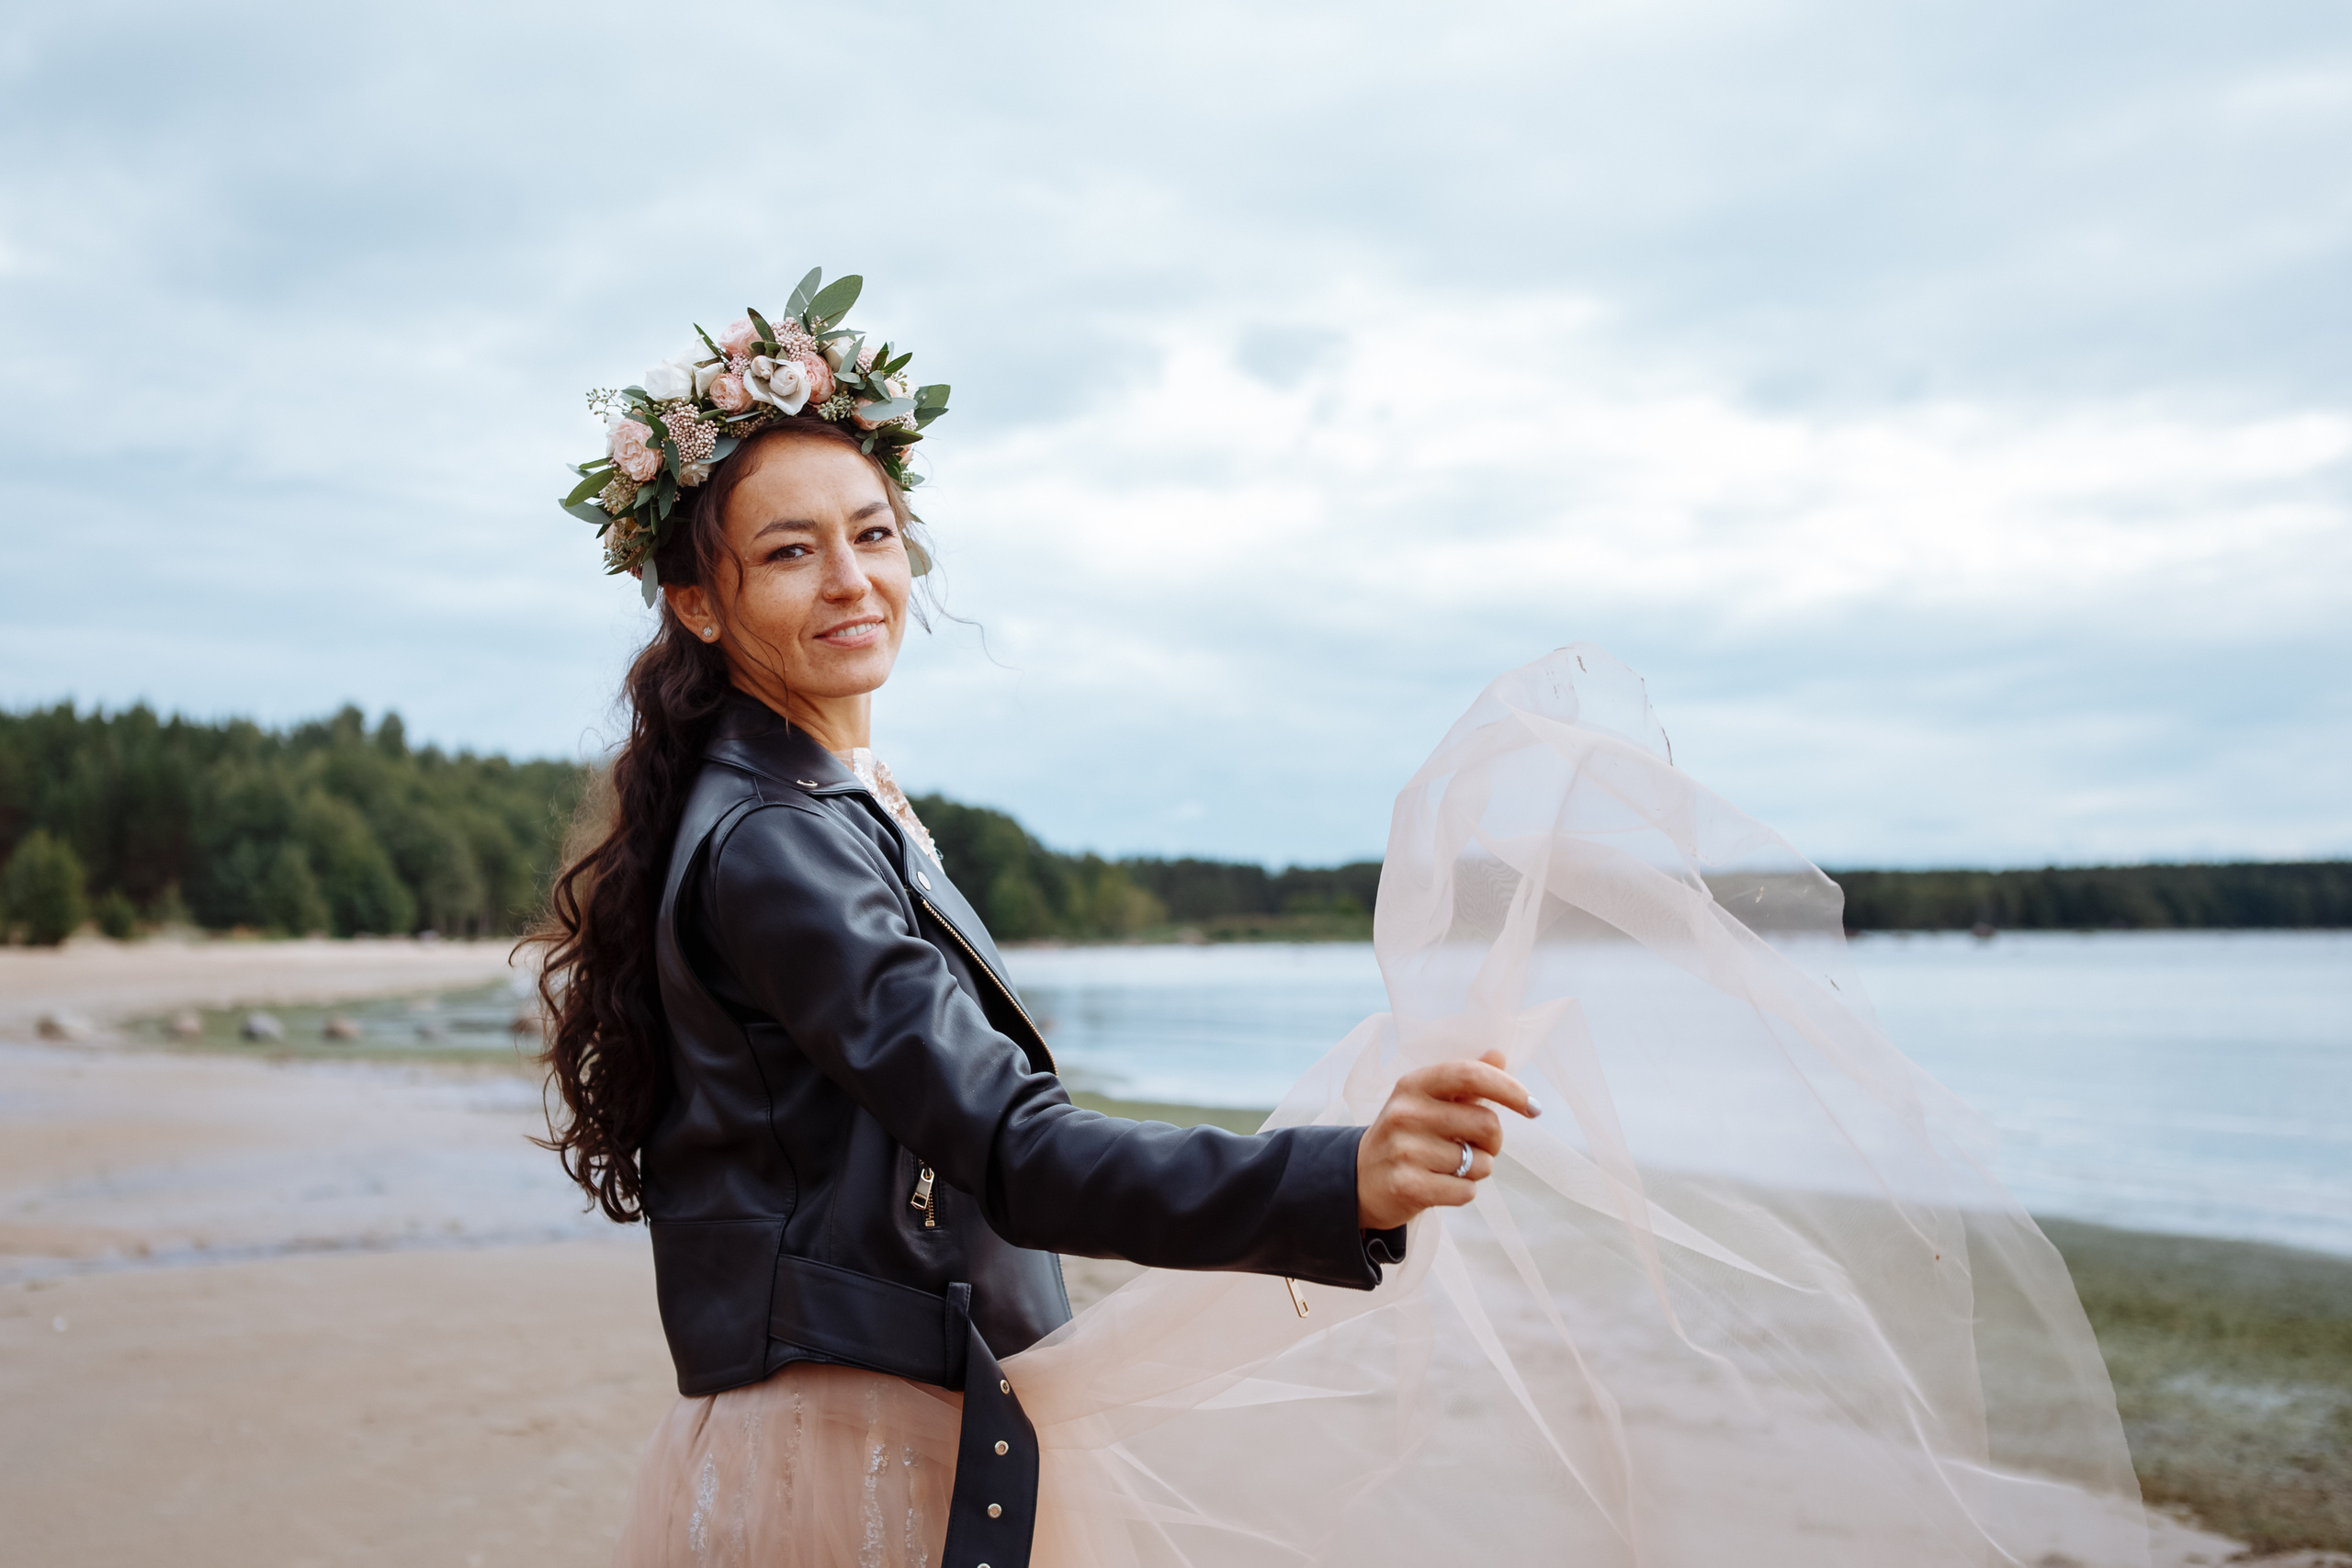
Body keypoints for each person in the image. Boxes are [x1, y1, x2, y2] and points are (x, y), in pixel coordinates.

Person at [530, 276, 1535, 1568]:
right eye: (790, 551)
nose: (852, 579)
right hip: (861, 1457)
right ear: (698, 602)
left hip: (887, 1406)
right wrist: (1339, 1176)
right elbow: (1013, 1146)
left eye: (874, 534)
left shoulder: (799, 792)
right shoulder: (779, 840)